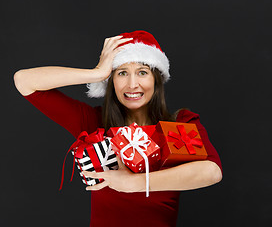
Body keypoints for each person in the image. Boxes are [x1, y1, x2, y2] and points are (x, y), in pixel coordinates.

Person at [13, 30, 223, 227]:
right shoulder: (94, 123)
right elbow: (24, 81)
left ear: (156, 80)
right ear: (111, 81)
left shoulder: (177, 125)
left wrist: (137, 182)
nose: (132, 84)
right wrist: (97, 73)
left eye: (142, 72)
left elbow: (210, 171)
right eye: (122, 73)